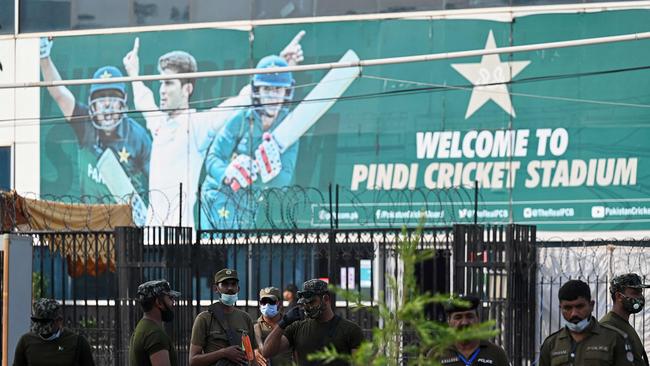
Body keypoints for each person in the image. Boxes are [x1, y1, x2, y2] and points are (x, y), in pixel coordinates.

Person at [122, 32, 304, 228]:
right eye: (160, 83)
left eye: (168, 83)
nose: (162, 90)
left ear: (187, 89)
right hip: (152, 236)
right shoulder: (158, 123)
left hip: (181, 238)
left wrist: (278, 68)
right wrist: (133, 73)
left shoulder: (197, 125)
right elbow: (143, 99)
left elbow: (241, 100)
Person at [40, 37, 151, 222]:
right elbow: (59, 93)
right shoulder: (85, 124)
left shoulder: (138, 136)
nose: (107, 105)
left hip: (129, 227)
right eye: (101, 98)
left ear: (123, 103)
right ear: (92, 104)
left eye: (112, 97)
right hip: (93, 226)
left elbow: (157, 180)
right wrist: (44, 57)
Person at [201, 54, 299, 230]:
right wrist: (228, 172)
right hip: (220, 194)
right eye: (266, 89)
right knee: (220, 250)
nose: (272, 96)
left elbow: (284, 178)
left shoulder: (290, 127)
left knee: (242, 252)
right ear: (257, 91)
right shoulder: (240, 119)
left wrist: (267, 176)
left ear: (286, 92)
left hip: (250, 200)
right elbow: (213, 158)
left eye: (277, 90)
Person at [262, 279, 364, 366]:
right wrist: (283, 323)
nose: (307, 306)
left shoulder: (350, 330)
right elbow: (267, 351)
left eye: (312, 302)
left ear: (326, 299)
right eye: (305, 303)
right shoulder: (297, 327)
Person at [539, 279, 633, 366]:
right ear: (561, 308)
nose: (574, 314)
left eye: (580, 306)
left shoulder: (614, 339)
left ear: (591, 305)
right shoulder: (551, 344)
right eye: (567, 308)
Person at [189, 268, 259, 366]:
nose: (230, 288)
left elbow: (252, 357)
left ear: (238, 289)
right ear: (215, 288)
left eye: (233, 284)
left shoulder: (245, 318)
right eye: (225, 284)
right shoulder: (204, 319)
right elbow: (193, 360)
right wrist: (223, 353)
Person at [429, 295, 510, 365]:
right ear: (449, 322)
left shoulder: (496, 354)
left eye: (469, 316)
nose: (464, 323)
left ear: (477, 320)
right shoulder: (436, 355)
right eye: (458, 317)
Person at [13, 298, 95, 366]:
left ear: (59, 321)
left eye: (46, 324)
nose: (43, 329)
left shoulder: (78, 342)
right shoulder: (25, 341)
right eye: (39, 323)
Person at [600, 273, 650, 366]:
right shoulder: (607, 327)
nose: (640, 297)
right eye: (635, 293)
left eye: (640, 293)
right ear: (619, 296)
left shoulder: (623, 324)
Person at [129, 279, 181, 366]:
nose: (173, 303)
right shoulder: (155, 334)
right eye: (170, 298)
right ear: (159, 302)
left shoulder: (142, 328)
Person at [254, 287, 294, 366]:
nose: (267, 305)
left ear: (280, 303)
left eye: (271, 301)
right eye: (264, 301)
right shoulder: (254, 327)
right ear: (260, 304)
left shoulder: (291, 325)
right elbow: (244, 351)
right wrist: (253, 352)